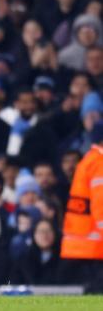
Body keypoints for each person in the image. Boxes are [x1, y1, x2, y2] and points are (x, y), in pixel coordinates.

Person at [60, 121, 103, 294]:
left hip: (83, 239)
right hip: (96, 241)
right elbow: (100, 201)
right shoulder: (100, 162)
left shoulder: (89, 160)